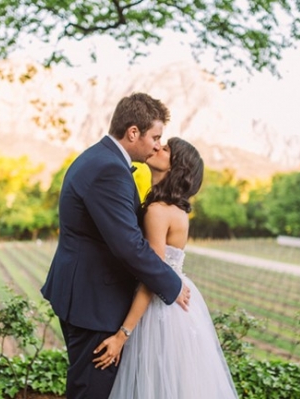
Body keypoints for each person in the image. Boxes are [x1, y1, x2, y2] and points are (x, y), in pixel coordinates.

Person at [41, 93, 191, 399]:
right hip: (94, 302)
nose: (157, 145)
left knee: (86, 385)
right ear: (133, 132)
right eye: (155, 137)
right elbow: (128, 245)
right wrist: (171, 283)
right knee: (91, 391)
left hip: (84, 293)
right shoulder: (109, 169)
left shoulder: (100, 158)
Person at [93, 137, 239, 399]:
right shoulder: (174, 210)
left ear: (176, 167)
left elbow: (153, 276)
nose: (158, 147)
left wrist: (122, 335)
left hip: (158, 310)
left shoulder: (158, 211)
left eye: (167, 148)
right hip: (177, 306)